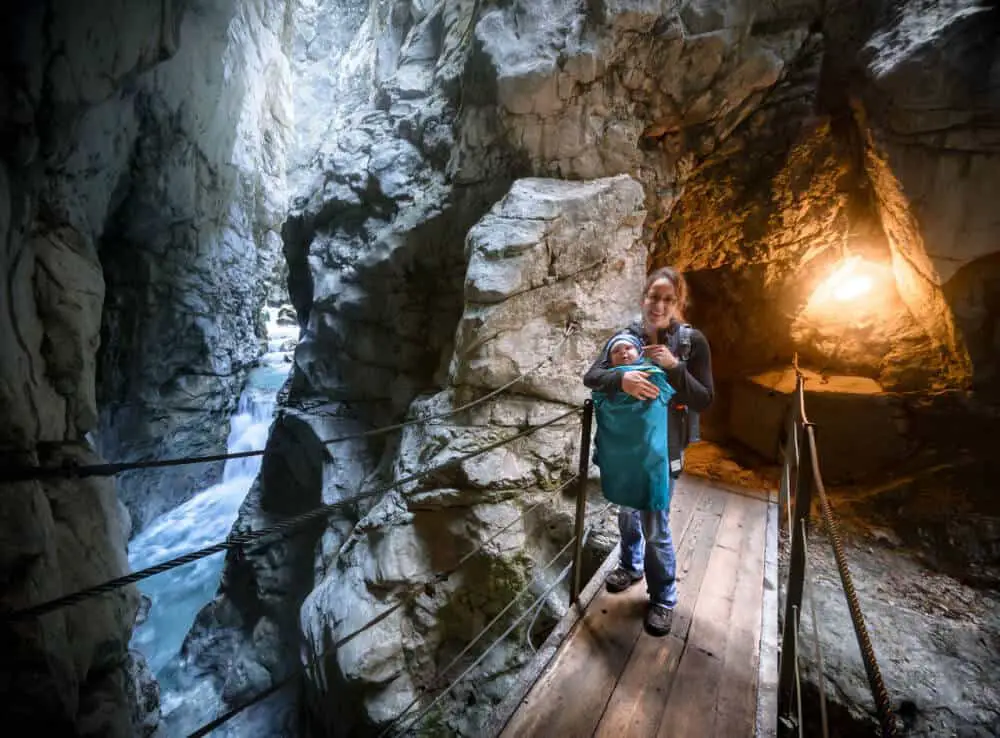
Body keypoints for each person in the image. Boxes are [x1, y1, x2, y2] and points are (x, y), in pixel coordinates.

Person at [583, 266, 714, 637]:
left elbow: (704, 399)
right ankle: (631, 564)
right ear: (643, 298)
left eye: (667, 299)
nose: (659, 305)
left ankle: (663, 597)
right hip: (629, 446)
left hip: (667, 446)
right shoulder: (625, 338)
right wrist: (620, 377)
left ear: (678, 303)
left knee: (655, 522)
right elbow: (592, 376)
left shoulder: (691, 343)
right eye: (653, 297)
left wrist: (674, 368)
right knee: (628, 510)